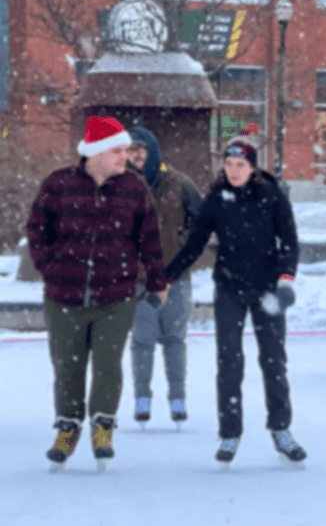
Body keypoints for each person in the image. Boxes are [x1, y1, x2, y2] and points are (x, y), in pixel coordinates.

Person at [27, 116, 168, 471]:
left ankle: (102, 426)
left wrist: (157, 280)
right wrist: (50, 266)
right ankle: (67, 428)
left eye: (126, 151)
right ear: (97, 152)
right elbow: (36, 228)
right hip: (64, 296)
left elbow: (150, 239)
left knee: (107, 365)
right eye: (118, 151)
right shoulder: (59, 184)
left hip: (115, 296)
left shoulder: (135, 189)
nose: (126, 157)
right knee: (67, 367)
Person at [163, 137, 306, 466]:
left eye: (240, 165)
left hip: (267, 288)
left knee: (273, 361)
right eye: (228, 164)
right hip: (229, 289)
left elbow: (289, 241)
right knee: (229, 363)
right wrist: (167, 274)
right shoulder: (216, 198)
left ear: (252, 167)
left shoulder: (271, 195)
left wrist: (286, 280)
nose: (233, 170)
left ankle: (281, 430)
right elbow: (195, 243)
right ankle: (229, 433)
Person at [125, 126, 204, 427]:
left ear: (152, 150)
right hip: (140, 281)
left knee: (174, 340)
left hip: (176, 279)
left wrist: (184, 251)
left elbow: (202, 224)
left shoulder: (180, 184)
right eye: (131, 151)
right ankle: (142, 399)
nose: (136, 156)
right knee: (142, 342)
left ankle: (177, 399)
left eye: (140, 149)